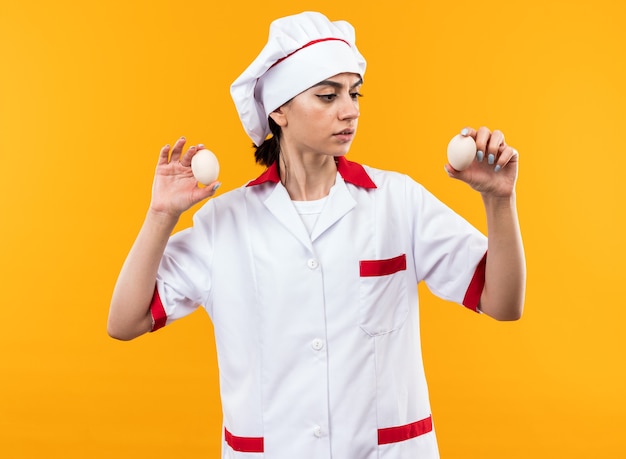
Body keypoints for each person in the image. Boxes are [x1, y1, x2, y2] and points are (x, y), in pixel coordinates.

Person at [108, 11, 525, 459]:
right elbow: (125, 322)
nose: (350, 109)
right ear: (279, 111)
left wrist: (499, 202)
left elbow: (502, 304)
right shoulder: (223, 223)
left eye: (354, 92)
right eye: (327, 95)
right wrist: (160, 215)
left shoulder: (398, 201)